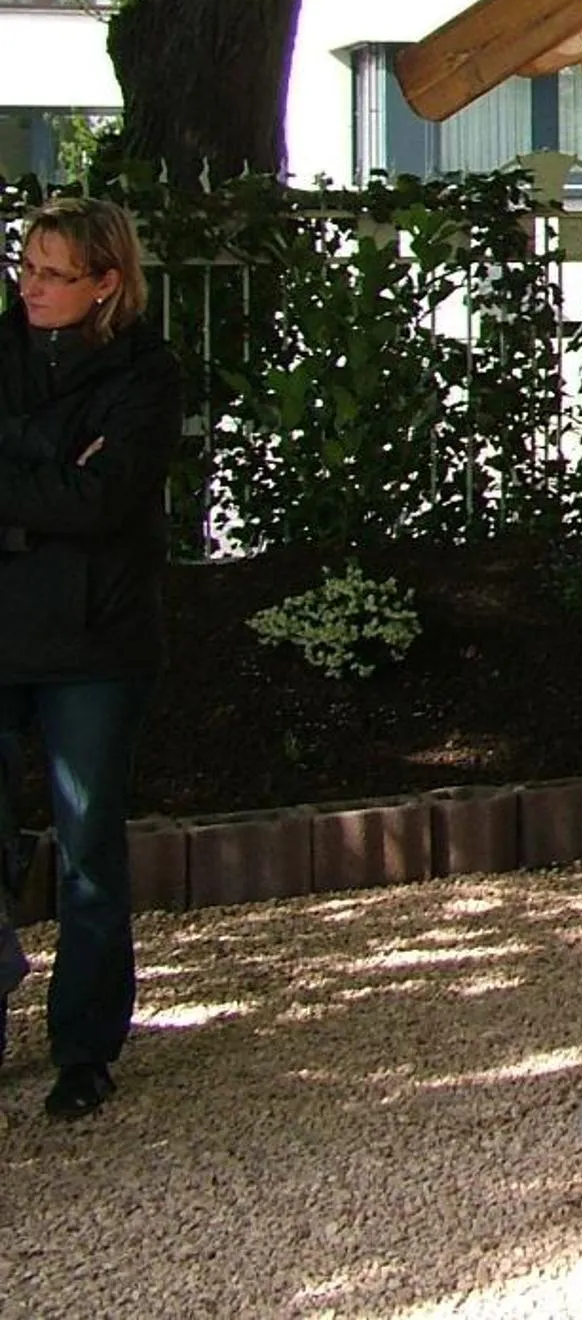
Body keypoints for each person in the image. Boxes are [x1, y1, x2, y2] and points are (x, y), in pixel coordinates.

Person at [0, 197, 183, 1118]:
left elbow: (105, 500)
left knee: (88, 851)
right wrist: (55, 480)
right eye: (25, 267)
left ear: (106, 282)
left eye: (53, 273)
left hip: (96, 642)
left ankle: (84, 1047)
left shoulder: (146, 372)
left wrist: (33, 487)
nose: (31, 286)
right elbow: (73, 494)